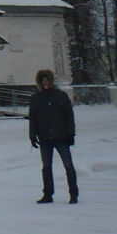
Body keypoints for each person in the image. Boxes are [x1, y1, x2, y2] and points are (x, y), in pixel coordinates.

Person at [28, 69, 77, 203]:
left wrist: (70, 133)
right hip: (44, 138)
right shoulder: (36, 99)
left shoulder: (61, 96)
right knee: (46, 167)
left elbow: (69, 116)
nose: (45, 83)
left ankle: (73, 193)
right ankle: (48, 194)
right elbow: (33, 119)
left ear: (51, 81)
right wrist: (32, 135)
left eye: (47, 80)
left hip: (61, 136)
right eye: (42, 81)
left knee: (68, 165)